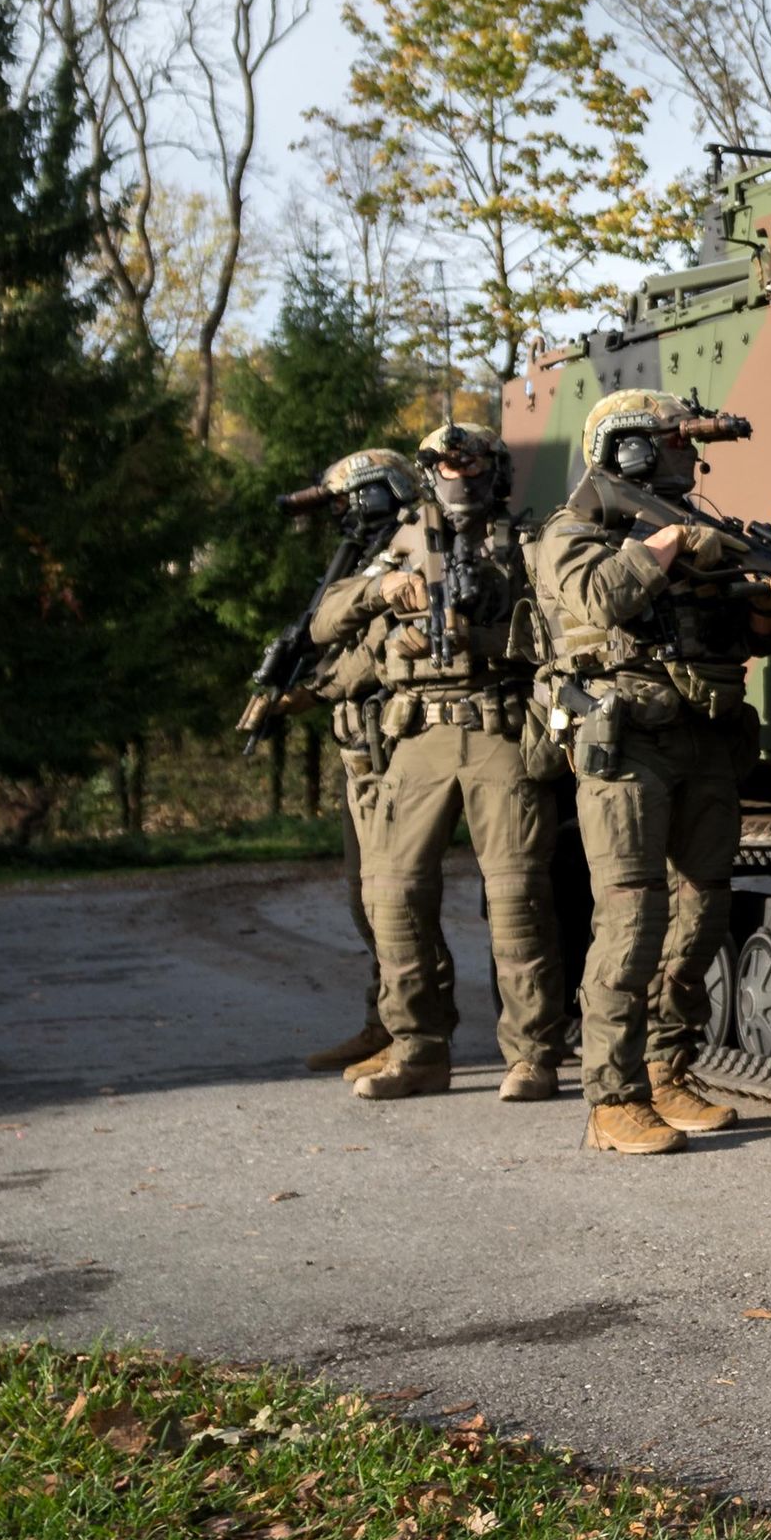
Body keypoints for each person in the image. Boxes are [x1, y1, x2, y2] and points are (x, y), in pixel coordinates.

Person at [535, 390, 771, 1158]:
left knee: (702, 912)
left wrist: (767, 609)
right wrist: (672, 543)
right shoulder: (575, 532)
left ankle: (666, 1065)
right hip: (626, 741)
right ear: (628, 451)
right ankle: (611, 1099)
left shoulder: (695, 532)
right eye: (670, 443)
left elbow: (742, 638)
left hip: (704, 732)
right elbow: (598, 597)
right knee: (630, 919)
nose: (687, 455)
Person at [308, 422, 561, 1101]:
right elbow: (324, 623)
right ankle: (418, 1048)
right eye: (446, 464)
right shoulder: (401, 543)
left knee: (517, 902)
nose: (459, 475)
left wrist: (486, 634)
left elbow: (566, 632)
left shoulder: (530, 543)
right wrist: (384, 593)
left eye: (471, 462)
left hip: (500, 729)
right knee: (391, 899)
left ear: (495, 470)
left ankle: (533, 1054)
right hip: (416, 738)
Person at [290, 448, 420, 1078]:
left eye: (349, 499)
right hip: (360, 745)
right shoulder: (365, 561)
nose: (343, 513)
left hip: (396, 744)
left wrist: (319, 688)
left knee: (392, 897)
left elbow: (375, 651)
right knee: (362, 896)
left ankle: (408, 1031)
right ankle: (383, 1021)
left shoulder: (412, 549)